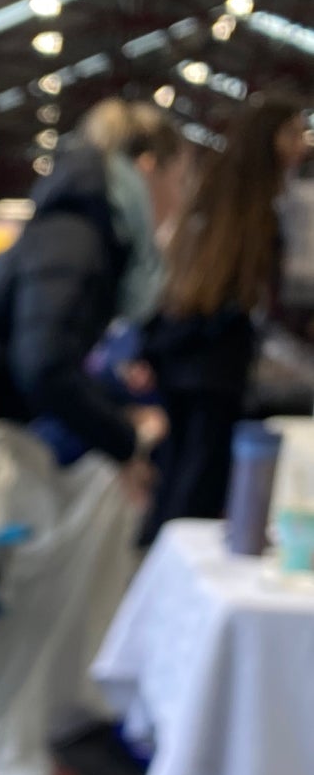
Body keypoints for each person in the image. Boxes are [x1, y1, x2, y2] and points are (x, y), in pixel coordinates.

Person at [0, 99, 183, 532]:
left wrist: (115, 412)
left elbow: (51, 351)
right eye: (179, 179)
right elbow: (45, 365)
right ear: (149, 167)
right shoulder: (77, 237)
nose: (178, 198)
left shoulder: (81, 228)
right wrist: (124, 440)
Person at [140, 93, 307, 537]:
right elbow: (247, 293)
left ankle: (160, 563)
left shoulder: (225, 193)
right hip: (212, 362)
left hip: (190, 355)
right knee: (198, 484)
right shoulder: (253, 208)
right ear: (267, 138)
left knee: (184, 475)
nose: (302, 143)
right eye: (292, 132)